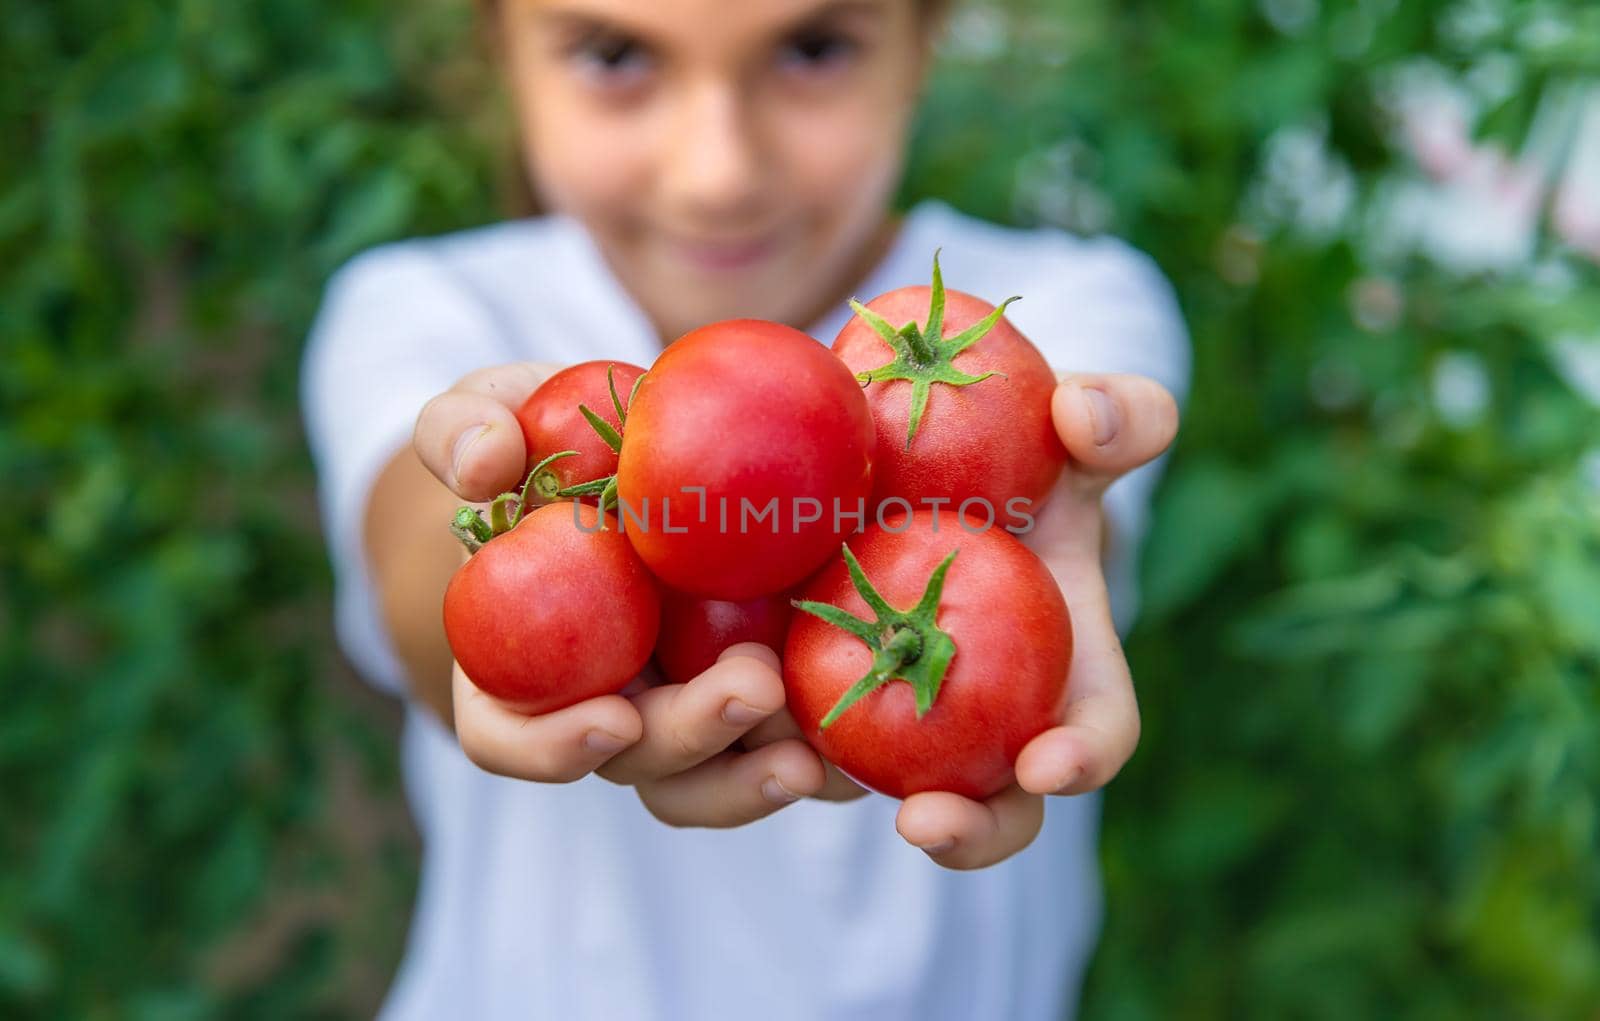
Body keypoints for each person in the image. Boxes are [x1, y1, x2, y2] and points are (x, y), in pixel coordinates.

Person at [301, 0, 1188, 1017]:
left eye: (812, 49)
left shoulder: (1057, 310)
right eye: (614, 53)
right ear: (500, 49)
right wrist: (510, 587)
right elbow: (421, 575)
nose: (717, 172)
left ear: (923, 45)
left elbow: (1064, 527)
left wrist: (1054, 505)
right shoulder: (423, 308)